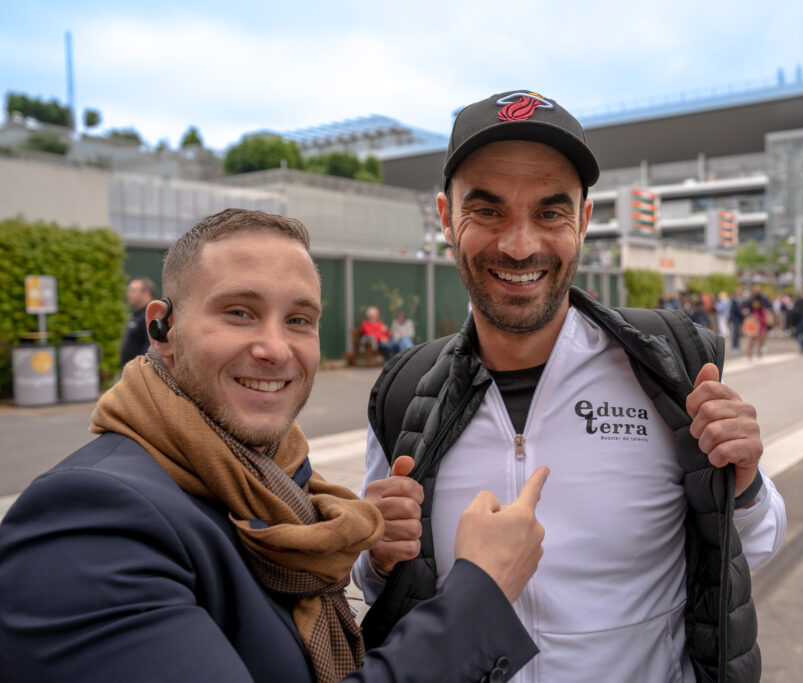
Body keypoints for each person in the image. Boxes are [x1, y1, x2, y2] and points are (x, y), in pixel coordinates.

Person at [0, 209, 547, 682]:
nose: (274, 348)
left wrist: (374, 556)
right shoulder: (88, 523)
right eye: (238, 312)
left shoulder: (282, 496)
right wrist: (481, 592)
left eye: (299, 320)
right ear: (161, 330)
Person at [354, 90, 785, 682]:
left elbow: (757, 544)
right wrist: (377, 555)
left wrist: (743, 484)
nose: (520, 244)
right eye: (488, 211)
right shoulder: (405, 390)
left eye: (550, 213)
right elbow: (373, 578)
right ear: (447, 217)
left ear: (583, 220)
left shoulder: (664, 367)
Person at [119, 276, 157, 366]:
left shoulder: (152, 315)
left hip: (140, 373)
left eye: (133, 291)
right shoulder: (138, 315)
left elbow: (152, 349)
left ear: (147, 293)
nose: (128, 294)